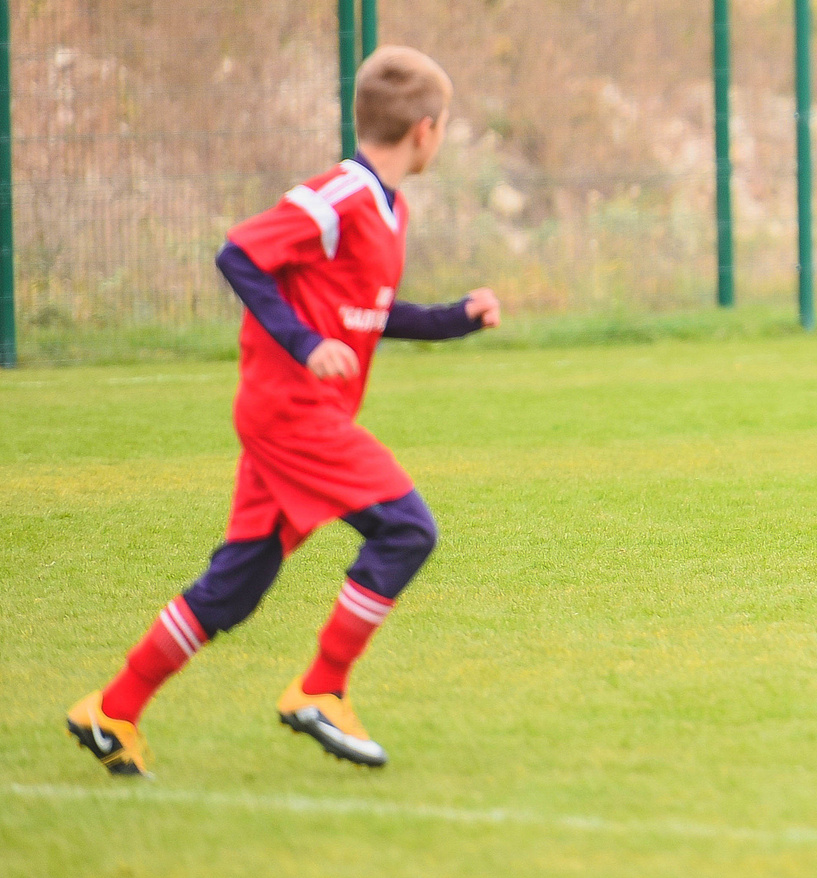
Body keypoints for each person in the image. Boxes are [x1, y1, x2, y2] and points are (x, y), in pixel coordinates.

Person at [65, 45, 501, 776]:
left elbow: (368, 315)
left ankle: (112, 710)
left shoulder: (389, 210)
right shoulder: (342, 196)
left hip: (297, 415)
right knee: (406, 528)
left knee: (234, 586)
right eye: (446, 124)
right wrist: (302, 344)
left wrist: (457, 317)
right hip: (293, 412)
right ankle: (321, 689)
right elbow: (239, 253)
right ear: (425, 129)